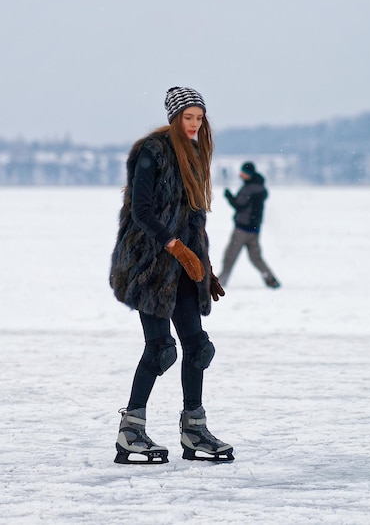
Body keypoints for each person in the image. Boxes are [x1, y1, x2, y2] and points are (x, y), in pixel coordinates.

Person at [109, 86, 233, 464]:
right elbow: (141, 211)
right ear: (174, 118)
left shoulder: (195, 154)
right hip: (148, 265)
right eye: (188, 118)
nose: (194, 124)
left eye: (199, 118)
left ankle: (194, 430)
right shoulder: (152, 152)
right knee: (161, 350)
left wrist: (204, 265)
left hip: (182, 268)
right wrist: (174, 246)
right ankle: (131, 431)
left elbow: (196, 219)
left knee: (198, 348)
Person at [218, 161, 280, 289]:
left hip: (242, 229)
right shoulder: (260, 188)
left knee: (230, 256)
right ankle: (270, 278)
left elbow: (239, 205)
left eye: (243, 173)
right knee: (256, 258)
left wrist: (229, 197)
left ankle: (221, 281)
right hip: (255, 230)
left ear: (248, 174)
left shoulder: (249, 188)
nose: (241, 175)